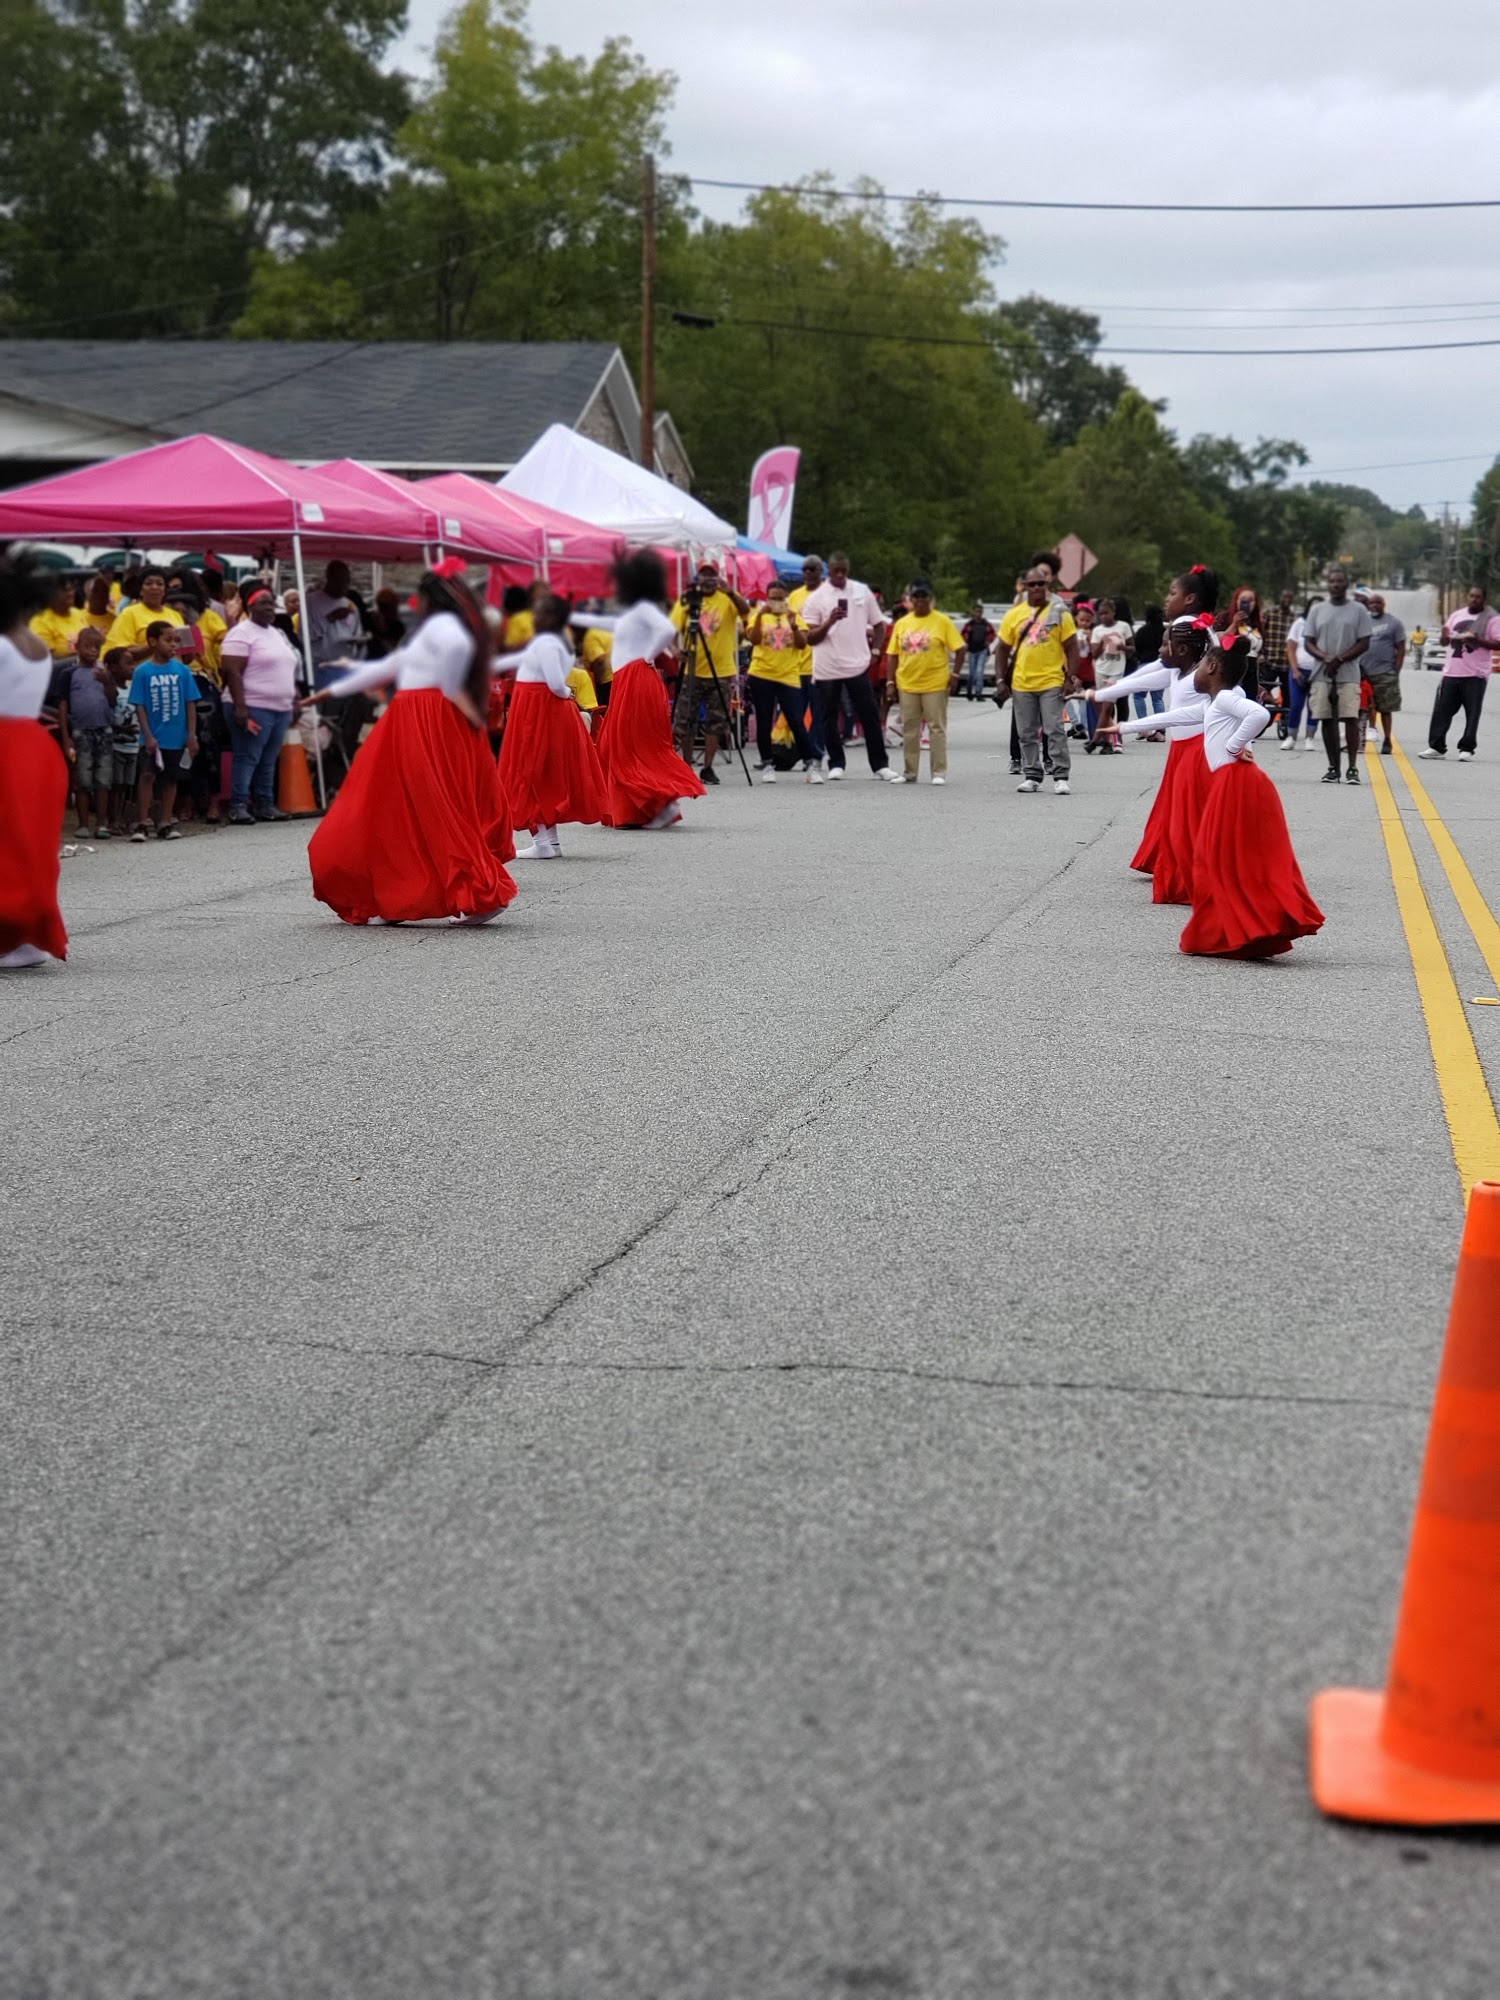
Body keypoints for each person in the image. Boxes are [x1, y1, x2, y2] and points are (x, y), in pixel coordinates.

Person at [300, 564, 517, 926]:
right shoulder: (442, 630)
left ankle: (478, 889)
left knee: (426, 805)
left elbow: (442, 679)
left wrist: (466, 712)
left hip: (424, 718)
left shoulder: (447, 631)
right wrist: (334, 689)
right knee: (399, 806)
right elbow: (398, 663)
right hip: (416, 717)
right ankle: (400, 892)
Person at [1159, 633, 1324, 959]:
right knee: (1233, 864)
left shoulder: (1223, 699)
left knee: (1214, 861)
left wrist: (1235, 745)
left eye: (1203, 664)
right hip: (1236, 784)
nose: (1198, 671)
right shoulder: (1215, 701)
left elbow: (1260, 715)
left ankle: (1230, 932)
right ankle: (1247, 930)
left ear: (1214, 666)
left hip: (1236, 786)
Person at [574, 552, 706, 831]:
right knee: (622, 745)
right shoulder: (635, 612)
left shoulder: (644, 608)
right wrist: (573, 616)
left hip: (635, 679)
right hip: (628, 679)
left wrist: (648, 656)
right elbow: (614, 625)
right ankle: (652, 806)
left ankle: (664, 805)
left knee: (631, 746)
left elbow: (667, 630)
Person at [495, 594, 607, 859]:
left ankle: (544, 842)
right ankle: (548, 842)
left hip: (537, 708)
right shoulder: (556, 642)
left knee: (530, 771)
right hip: (539, 706)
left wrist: (567, 691)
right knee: (539, 772)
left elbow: (556, 683)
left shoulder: (547, 642)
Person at [0, 548, 69, 971]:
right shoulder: (38, 644)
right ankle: (25, 936)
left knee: (9, 844)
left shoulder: (2, 645)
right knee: (29, 844)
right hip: (34, 745)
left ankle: (12, 934)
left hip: (6, 744)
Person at [800, 551, 898, 782]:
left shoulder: (861, 591)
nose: (841, 575)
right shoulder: (817, 597)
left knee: (869, 713)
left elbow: (879, 625)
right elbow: (810, 638)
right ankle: (836, 763)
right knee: (828, 715)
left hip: (857, 663)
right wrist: (830, 620)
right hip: (828, 665)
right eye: (836, 571)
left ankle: (880, 765)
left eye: (844, 571)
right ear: (829, 571)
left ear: (848, 569)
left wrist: (876, 650)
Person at [995, 567, 1080, 795]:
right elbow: (1002, 649)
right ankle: (1032, 775)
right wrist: (1000, 680)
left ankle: (1061, 776)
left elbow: (1072, 646)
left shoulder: (1059, 612)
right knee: (1026, 733)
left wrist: (1070, 677)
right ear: (1024, 587)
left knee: (1054, 729)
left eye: (1040, 584)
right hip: (1022, 683)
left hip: (1051, 680)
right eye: (1031, 584)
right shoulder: (1014, 614)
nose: (1036, 588)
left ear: (1047, 586)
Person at [219, 584, 299, 825]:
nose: (270, 607)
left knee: (269, 757)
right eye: (263, 603)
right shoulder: (241, 633)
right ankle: (239, 805)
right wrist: (240, 707)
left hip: (280, 708)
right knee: (248, 755)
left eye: (271, 603)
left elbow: (287, 667)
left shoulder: (278, 633)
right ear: (250, 605)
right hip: (252, 705)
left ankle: (265, 804)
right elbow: (231, 671)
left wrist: (294, 699)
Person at [670, 561, 748, 784]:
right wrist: (676, 649)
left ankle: (708, 767)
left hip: (721, 670)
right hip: (692, 669)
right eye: (703, 575)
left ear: (718, 577)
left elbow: (745, 611)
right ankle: (686, 765)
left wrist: (730, 591)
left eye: (711, 575)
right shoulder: (688, 599)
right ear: (697, 577)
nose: (707, 579)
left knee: (717, 720)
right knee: (686, 719)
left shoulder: (727, 598)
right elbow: (673, 628)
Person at [127, 621, 201, 841]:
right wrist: (147, 734)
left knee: (170, 779)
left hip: (176, 737)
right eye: (168, 640)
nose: (174, 645)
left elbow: (190, 703)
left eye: (176, 640)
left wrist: (191, 734)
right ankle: (142, 822)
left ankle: (165, 822)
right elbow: (139, 705)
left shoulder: (182, 671)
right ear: (152, 642)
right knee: (147, 776)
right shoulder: (142, 672)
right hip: (152, 737)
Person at [885, 580, 963, 784]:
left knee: (936, 727)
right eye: (916, 597)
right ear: (910, 600)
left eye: (924, 597)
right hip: (907, 683)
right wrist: (890, 682)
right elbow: (892, 654)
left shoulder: (942, 621)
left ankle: (938, 772)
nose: (920, 601)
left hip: (935, 683)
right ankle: (910, 772)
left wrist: (955, 675)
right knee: (910, 729)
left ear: (931, 599)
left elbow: (960, 648)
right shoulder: (903, 623)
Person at [1301, 567, 1371, 785]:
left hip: (1348, 674)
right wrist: (1325, 657)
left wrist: (1339, 659)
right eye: (1332, 581)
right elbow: (1308, 641)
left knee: (1350, 718)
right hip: (1322, 674)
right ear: (1328, 585)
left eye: (1340, 581)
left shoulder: (1359, 610)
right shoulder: (1317, 610)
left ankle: (1352, 768)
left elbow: (1364, 642)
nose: (1335, 585)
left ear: (1346, 584)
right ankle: (1333, 767)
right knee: (1327, 720)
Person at [745, 581, 820, 783]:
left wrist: (794, 627)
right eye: (773, 598)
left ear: (786, 598)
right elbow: (753, 639)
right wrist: (761, 615)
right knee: (764, 719)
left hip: (788, 675)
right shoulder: (758, 615)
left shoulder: (794, 616)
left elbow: (803, 643)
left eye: (780, 598)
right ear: (767, 598)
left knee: (796, 719)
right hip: (761, 673)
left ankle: (810, 764)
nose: (777, 602)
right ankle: (768, 764)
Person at [1421, 586, 1497, 760]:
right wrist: (1444, 636)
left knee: (1472, 713)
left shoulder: (1491, 618)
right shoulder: (1457, 615)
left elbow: (1498, 643)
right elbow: (1444, 641)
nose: (1474, 599)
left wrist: (1478, 640)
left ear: (1483, 600)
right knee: (1441, 711)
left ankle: (1467, 748)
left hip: (1475, 674)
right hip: (1452, 672)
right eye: (1471, 596)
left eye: (1478, 597)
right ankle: (1436, 747)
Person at [56, 625, 115, 839]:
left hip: (104, 731)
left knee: (103, 779)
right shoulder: (69, 674)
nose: (93, 651)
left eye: (97, 647)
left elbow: (113, 700)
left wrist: (107, 682)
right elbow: (63, 706)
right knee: (83, 779)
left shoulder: (104, 672)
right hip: (80, 732)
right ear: (77, 647)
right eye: (88, 646)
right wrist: (66, 736)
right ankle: (82, 824)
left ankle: (101, 823)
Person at [101, 568, 183, 664]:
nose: (154, 587)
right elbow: (120, 652)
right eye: (148, 584)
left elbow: (185, 658)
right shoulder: (129, 613)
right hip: (143, 675)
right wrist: (154, 645)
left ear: (164, 590)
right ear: (140, 590)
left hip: (174, 675)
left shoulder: (176, 615)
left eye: (160, 584)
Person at [787, 555, 825, 759]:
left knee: (818, 714)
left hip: (821, 664)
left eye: (813, 569)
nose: (809, 573)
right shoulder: (794, 596)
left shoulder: (829, 594)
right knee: (795, 713)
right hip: (796, 663)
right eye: (805, 570)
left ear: (821, 571)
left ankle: (816, 753)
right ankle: (797, 753)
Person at [1362, 593, 1407, 755]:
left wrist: (1397, 669)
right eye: (1372, 603)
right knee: (1362, 708)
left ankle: (1387, 739)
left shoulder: (1394, 623)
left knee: (1386, 709)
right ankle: (1361, 737)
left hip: (1385, 672)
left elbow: (1401, 647)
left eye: (1378, 603)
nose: (1374, 605)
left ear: (1383, 604)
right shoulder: (1362, 621)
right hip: (1362, 672)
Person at [1089, 596, 1135, 752]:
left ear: (1114, 612)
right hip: (1101, 670)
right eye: (1100, 614)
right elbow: (1094, 654)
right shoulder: (1097, 630)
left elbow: (1132, 649)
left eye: (1106, 613)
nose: (1103, 617)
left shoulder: (1124, 627)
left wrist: (1122, 647)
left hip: (1117, 670)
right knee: (1104, 708)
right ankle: (1107, 741)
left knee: (1108, 706)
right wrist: (1103, 642)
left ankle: (1097, 740)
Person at [1282, 596, 1322, 753]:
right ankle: (1291, 737)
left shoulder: (1324, 625)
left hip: (1318, 672)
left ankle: (1310, 737)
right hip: (1299, 670)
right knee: (1296, 705)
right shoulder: (1300, 624)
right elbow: (1291, 647)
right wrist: (1296, 670)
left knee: (1314, 706)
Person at [30, 575, 87, 660]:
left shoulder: (79, 613)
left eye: (71, 589)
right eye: (65, 590)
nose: (71, 594)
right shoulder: (40, 621)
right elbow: (47, 660)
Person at [1131, 605, 1167, 730]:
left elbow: (1136, 648)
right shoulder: (1164, 631)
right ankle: (1160, 729)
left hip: (1144, 666)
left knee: (1138, 696)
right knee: (1158, 699)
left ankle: (1143, 727)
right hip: (1160, 666)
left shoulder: (1142, 631)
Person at [1261, 588, 1296, 710]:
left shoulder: (1294, 618)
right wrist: (1262, 653)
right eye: (1284, 597)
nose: (1286, 600)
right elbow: (1261, 633)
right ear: (1280, 598)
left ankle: (1284, 722)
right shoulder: (1270, 613)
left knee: (1288, 697)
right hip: (1270, 660)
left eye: (1289, 598)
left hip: (1287, 664)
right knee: (1263, 692)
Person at [960, 600, 995, 701]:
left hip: (982, 650)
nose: (978, 614)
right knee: (972, 673)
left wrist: (988, 641)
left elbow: (993, 634)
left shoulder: (986, 624)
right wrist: (966, 642)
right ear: (973, 612)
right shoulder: (970, 624)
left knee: (979, 672)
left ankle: (978, 693)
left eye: (979, 612)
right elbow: (962, 634)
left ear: (982, 613)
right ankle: (969, 691)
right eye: (976, 611)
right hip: (972, 650)